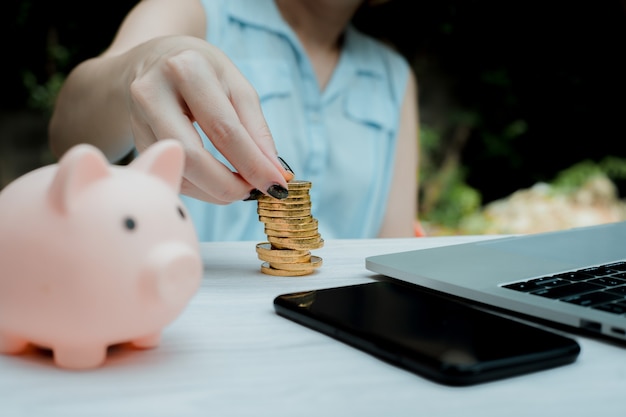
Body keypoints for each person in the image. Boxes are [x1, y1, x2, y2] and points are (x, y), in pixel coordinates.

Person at [48, 0, 420, 241]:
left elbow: (392, 251)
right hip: (182, 323)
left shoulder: (394, 76)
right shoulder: (188, 11)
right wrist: (144, 63)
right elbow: (68, 136)